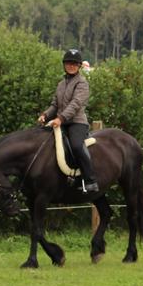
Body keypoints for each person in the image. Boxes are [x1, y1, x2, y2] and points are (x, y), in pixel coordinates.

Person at [38, 48, 98, 194]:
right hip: (60, 122)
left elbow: (75, 104)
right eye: (68, 63)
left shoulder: (82, 83)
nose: (71, 66)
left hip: (76, 123)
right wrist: (45, 115)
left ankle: (90, 181)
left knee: (76, 146)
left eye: (74, 64)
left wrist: (60, 118)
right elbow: (55, 105)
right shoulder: (61, 84)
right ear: (64, 65)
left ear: (79, 66)